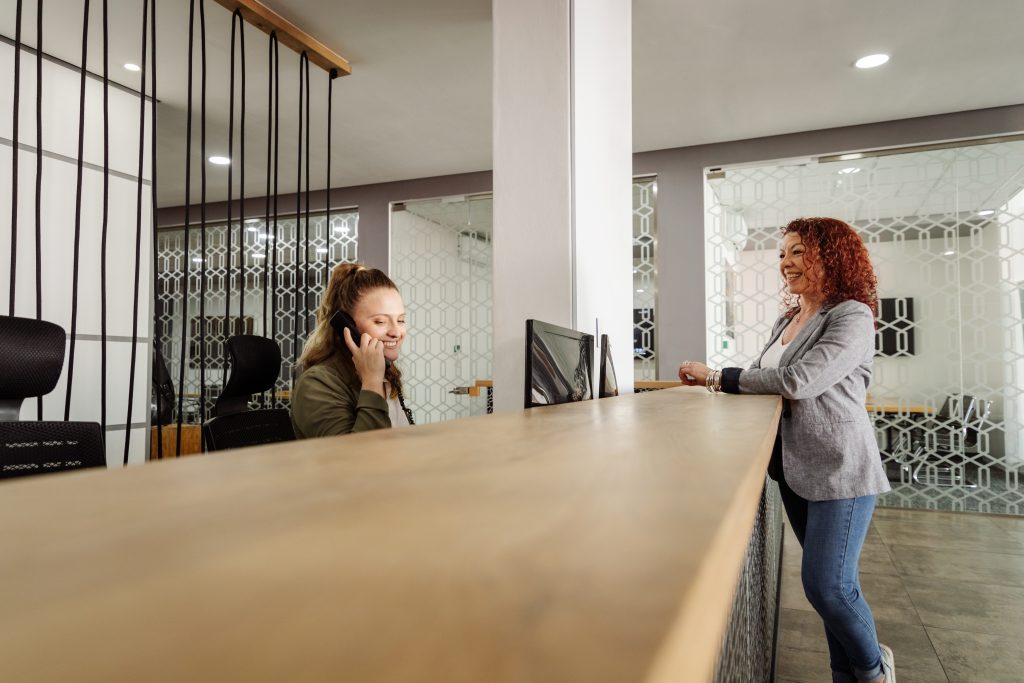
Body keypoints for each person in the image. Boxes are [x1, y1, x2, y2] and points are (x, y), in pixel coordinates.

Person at [679, 217, 895, 683]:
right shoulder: (787, 319)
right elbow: (764, 376)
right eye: (782, 254)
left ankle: (875, 670)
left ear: (831, 257)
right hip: (795, 467)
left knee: (828, 586)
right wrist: (725, 383)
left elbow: (798, 381)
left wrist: (717, 375)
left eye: (798, 252)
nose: (786, 263)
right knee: (829, 591)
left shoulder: (851, 315)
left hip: (842, 469)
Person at [291, 263, 414, 438]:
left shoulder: (385, 373)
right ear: (346, 326)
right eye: (380, 321)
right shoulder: (317, 383)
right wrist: (372, 382)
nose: (395, 332)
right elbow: (358, 457)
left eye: (400, 321)